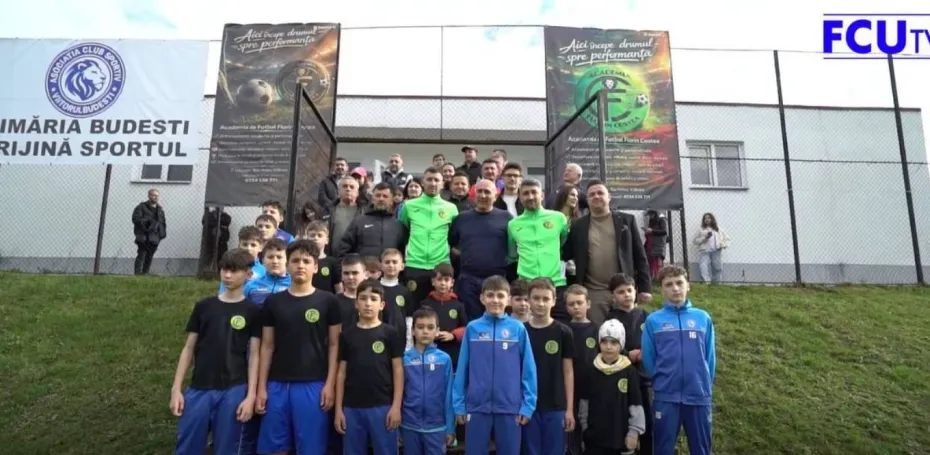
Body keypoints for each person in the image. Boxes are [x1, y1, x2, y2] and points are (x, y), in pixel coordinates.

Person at [170, 248, 261, 455]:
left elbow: (255, 354)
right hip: (199, 387)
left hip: (234, 388)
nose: (227, 275)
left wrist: (251, 396)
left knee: (228, 448)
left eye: (234, 271)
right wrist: (176, 389)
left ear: (248, 274)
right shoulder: (204, 307)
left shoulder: (253, 311)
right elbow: (188, 348)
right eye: (224, 270)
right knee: (187, 446)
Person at [255, 240, 342, 455]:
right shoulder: (273, 302)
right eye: (295, 261)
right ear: (287, 265)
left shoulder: (329, 301)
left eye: (306, 261)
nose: (300, 265)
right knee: (274, 448)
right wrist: (261, 387)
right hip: (276, 384)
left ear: (316, 267)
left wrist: (329, 384)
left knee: (311, 448)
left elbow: (334, 345)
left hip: (313, 383)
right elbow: (267, 346)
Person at [452, 276, 537, 455]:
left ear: (508, 299)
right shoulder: (472, 329)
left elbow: (528, 370)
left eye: (500, 296)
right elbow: (462, 369)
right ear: (482, 298)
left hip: (510, 407)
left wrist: (528, 405)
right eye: (490, 295)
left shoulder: (518, 329)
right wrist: (459, 404)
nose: (495, 300)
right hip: (477, 407)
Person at [641, 266, 716, 455]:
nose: (675, 288)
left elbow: (709, 358)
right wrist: (663, 381)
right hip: (666, 396)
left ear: (688, 285)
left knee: (701, 450)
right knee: (662, 449)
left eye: (679, 283)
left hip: (698, 395)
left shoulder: (702, 318)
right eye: (669, 284)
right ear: (661, 289)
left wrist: (703, 383)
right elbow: (649, 359)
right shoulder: (653, 321)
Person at [562, 179, 651, 326]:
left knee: (627, 333)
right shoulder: (578, 225)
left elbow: (639, 255)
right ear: (587, 200)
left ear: (608, 197)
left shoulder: (626, 220)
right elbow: (565, 253)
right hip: (593, 292)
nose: (596, 196)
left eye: (600, 193)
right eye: (591, 194)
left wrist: (645, 287)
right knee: (598, 333)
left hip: (622, 290)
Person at [334, 280, 404, 455]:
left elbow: (398, 370)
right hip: (352, 407)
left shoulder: (390, 333)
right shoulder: (347, 335)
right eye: (363, 298)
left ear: (382, 305)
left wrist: (396, 406)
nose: (368, 303)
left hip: (383, 406)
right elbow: (341, 373)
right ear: (356, 303)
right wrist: (339, 410)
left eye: (373, 299)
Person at [577, 320, 646, 455]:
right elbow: (584, 403)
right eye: (604, 342)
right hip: (594, 440)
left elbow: (636, 403)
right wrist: (585, 429)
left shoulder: (629, 371)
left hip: (621, 439)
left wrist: (633, 432)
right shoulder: (591, 370)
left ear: (621, 344)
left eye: (614, 342)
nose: (608, 347)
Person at [523, 278, 575, 455]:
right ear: (528, 300)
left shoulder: (563, 332)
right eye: (536, 298)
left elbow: (568, 372)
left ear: (554, 301)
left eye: (546, 299)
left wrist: (569, 409)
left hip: (555, 405)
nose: (541, 303)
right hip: (528, 406)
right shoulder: (521, 331)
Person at [449, 179, 513, 321]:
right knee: (470, 322)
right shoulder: (461, 218)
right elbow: (452, 244)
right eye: (480, 191)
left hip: (497, 279)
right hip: (468, 280)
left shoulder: (506, 218)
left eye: (487, 192)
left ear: (495, 196)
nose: (483, 195)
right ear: (474, 194)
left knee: (496, 320)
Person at [507, 180, 570, 321]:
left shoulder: (558, 218)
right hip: (526, 287)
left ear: (541, 195)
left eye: (534, 192)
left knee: (559, 328)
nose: (530, 197)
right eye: (525, 193)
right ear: (520, 197)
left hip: (556, 283)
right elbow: (511, 254)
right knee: (529, 330)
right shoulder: (513, 224)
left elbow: (563, 241)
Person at [604, 273, 652, 455]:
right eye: (621, 292)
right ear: (613, 296)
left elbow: (656, 341)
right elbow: (606, 346)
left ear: (635, 291)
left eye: (629, 290)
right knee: (625, 419)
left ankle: (648, 449)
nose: (626, 295)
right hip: (622, 376)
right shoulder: (610, 320)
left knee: (648, 418)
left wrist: (644, 352)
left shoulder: (646, 316)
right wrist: (626, 354)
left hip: (645, 378)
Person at [398, 167, 459, 308]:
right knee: (412, 309)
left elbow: (453, 236)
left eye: (437, 180)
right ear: (423, 183)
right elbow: (403, 232)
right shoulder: (409, 206)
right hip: (414, 264)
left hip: (440, 265)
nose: (433, 183)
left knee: (440, 309)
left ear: (443, 184)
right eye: (429, 179)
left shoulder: (451, 208)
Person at [401, 307, 456, 455]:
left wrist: (450, 428)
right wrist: (398, 428)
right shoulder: (404, 359)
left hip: (437, 427)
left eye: (430, 327)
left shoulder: (444, 359)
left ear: (437, 331)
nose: (425, 331)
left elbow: (449, 395)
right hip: (409, 425)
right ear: (412, 331)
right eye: (420, 327)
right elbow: (399, 393)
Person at [563, 285, 597, 455]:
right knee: (571, 427)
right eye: (571, 304)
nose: (576, 307)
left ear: (588, 304)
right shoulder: (563, 330)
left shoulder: (597, 329)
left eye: (579, 303)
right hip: (569, 389)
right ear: (566, 307)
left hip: (592, 389)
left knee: (590, 427)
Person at [336, 182, 408, 258]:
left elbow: (403, 253)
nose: (381, 199)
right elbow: (344, 248)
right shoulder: (359, 222)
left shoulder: (398, 226)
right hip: (363, 265)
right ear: (372, 199)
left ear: (391, 201)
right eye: (378, 195)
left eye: (385, 196)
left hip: (389, 265)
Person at [417, 264, 468, 369]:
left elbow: (465, 327)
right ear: (433, 281)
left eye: (446, 280)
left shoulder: (458, 305)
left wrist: (453, 335)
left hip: (452, 350)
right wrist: (431, 333)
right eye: (439, 279)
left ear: (452, 283)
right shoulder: (425, 304)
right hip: (429, 349)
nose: (443, 283)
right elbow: (418, 325)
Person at [380, 248, 415, 350]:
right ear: (381, 266)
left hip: (399, 339)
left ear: (402, 266)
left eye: (394, 262)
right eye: (387, 262)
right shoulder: (375, 288)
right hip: (378, 338)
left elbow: (409, 319)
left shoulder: (405, 292)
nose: (391, 265)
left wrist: (409, 344)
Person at [243, 239, 291, 306]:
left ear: (287, 260)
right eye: (270, 257)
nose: (275, 261)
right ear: (263, 260)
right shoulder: (251, 286)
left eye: (279, 257)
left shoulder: (295, 285)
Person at [219, 226, 266, 294]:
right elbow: (223, 292)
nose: (248, 248)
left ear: (260, 248)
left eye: (253, 245)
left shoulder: (263, 271)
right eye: (245, 244)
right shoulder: (231, 267)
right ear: (239, 245)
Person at [132, 188, 167, 275]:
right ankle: (137, 274)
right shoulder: (141, 207)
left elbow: (163, 223)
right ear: (149, 196)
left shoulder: (160, 210)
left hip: (155, 237)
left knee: (150, 256)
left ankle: (145, 274)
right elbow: (136, 219)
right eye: (153, 195)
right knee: (141, 255)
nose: (156, 197)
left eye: (157, 196)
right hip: (144, 236)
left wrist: (162, 234)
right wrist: (148, 223)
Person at [305, 221, 343, 294]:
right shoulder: (303, 261)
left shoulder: (332, 262)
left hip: (327, 300)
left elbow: (339, 288)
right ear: (306, 239)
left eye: (319, 235)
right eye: (312, 235)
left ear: (327, 240)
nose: (315, 238)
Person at [693, 212, 730, 284]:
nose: (707, 219)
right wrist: (705, 238)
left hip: (716, 251)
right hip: (704, 251)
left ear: (712, 219)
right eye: (705, 218)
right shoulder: (701, 230)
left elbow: (727, 239)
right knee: (703, 267)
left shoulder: (718, 229)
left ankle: (716, 283)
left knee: (717, 267)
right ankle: (706, 282)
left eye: (709, 218)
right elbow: (695, 241)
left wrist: (722, 245)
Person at [336, 254, 369, 329]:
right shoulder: (334, 302)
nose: (350, 277)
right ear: (341, 275)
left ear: (366, 274)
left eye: (355, 273)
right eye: (346, 273)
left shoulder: (373, 301)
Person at [642, 210, 668, 279]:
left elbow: (664, 231)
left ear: (655, 214)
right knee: (650, 260)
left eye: (651, 215)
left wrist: (652, 231)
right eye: (649, 215)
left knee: (657, 260)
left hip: (658, 244)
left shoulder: (662, 219)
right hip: (651, 243)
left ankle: (658, 277)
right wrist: (647, 232)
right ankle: (652, 277)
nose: (650, 217)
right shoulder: (652, 221)